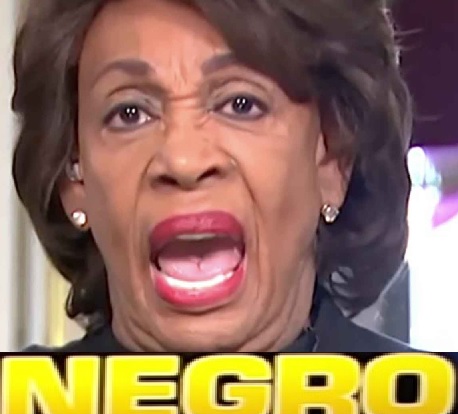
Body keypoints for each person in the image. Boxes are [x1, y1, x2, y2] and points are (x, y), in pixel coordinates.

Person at [13, 0, 414, 353]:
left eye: (241, 104)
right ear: (73, 178)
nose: (184, 161)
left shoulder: (429, 411)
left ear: (332, 161)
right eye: (130, 113)